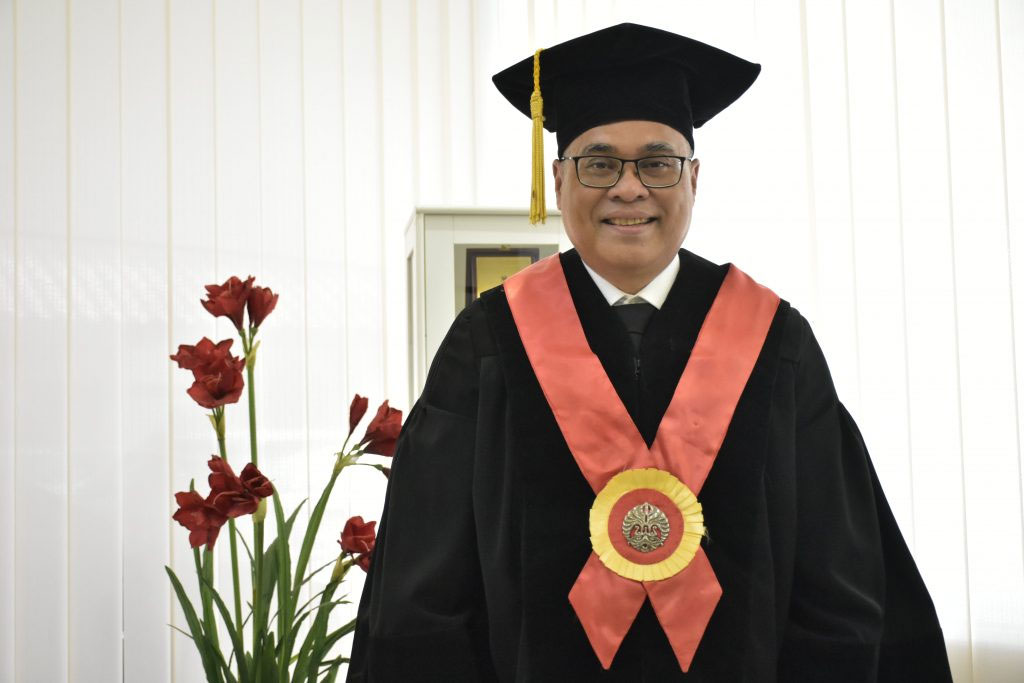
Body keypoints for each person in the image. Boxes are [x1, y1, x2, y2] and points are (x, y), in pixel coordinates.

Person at [348, 23, 952, 682]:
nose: (629, 188)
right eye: (599, 162)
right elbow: (425, 598)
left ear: (694, 179)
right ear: (558, 179)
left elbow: (837, 589)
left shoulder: (775, 341)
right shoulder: (488, 342)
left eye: (658, 163)